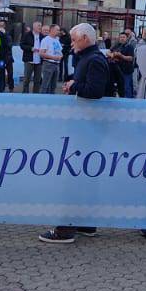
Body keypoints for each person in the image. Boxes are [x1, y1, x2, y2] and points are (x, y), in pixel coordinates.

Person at [39, 23, 112, 244]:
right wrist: (75, 83)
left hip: (88, 128)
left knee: (74, 177)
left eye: (73, 39)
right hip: (86, 126)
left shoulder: (95, 60)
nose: (71, 43)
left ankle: (65, 229)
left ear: (84, 39)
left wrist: (74, 86)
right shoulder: (89, 58)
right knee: (84, 175)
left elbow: (95, 92)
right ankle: (86, 223)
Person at [36, 24, 63, 93]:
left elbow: (59, 51)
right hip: (48, 64)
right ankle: (43, 101)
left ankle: (51, 101)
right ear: (52, 30)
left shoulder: (57, 40)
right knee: (45, 85)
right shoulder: (46, 40)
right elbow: (41, 53)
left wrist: (60, 56)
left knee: (53, 86)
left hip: (56, 64)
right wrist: (53, 57)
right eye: (57, 30)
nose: (59, 31)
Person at [20, 21, 42, 94]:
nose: (40, 27)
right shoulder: (27, 35)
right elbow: (22, 45)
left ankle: (36, 94)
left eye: (40, 26)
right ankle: (25, 94)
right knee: (27, 79)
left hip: (39, 61)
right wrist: (31, 48)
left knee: (37, 80)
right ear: (34, 27)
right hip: (29, 60)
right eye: (38, 25)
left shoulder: (42, 36)